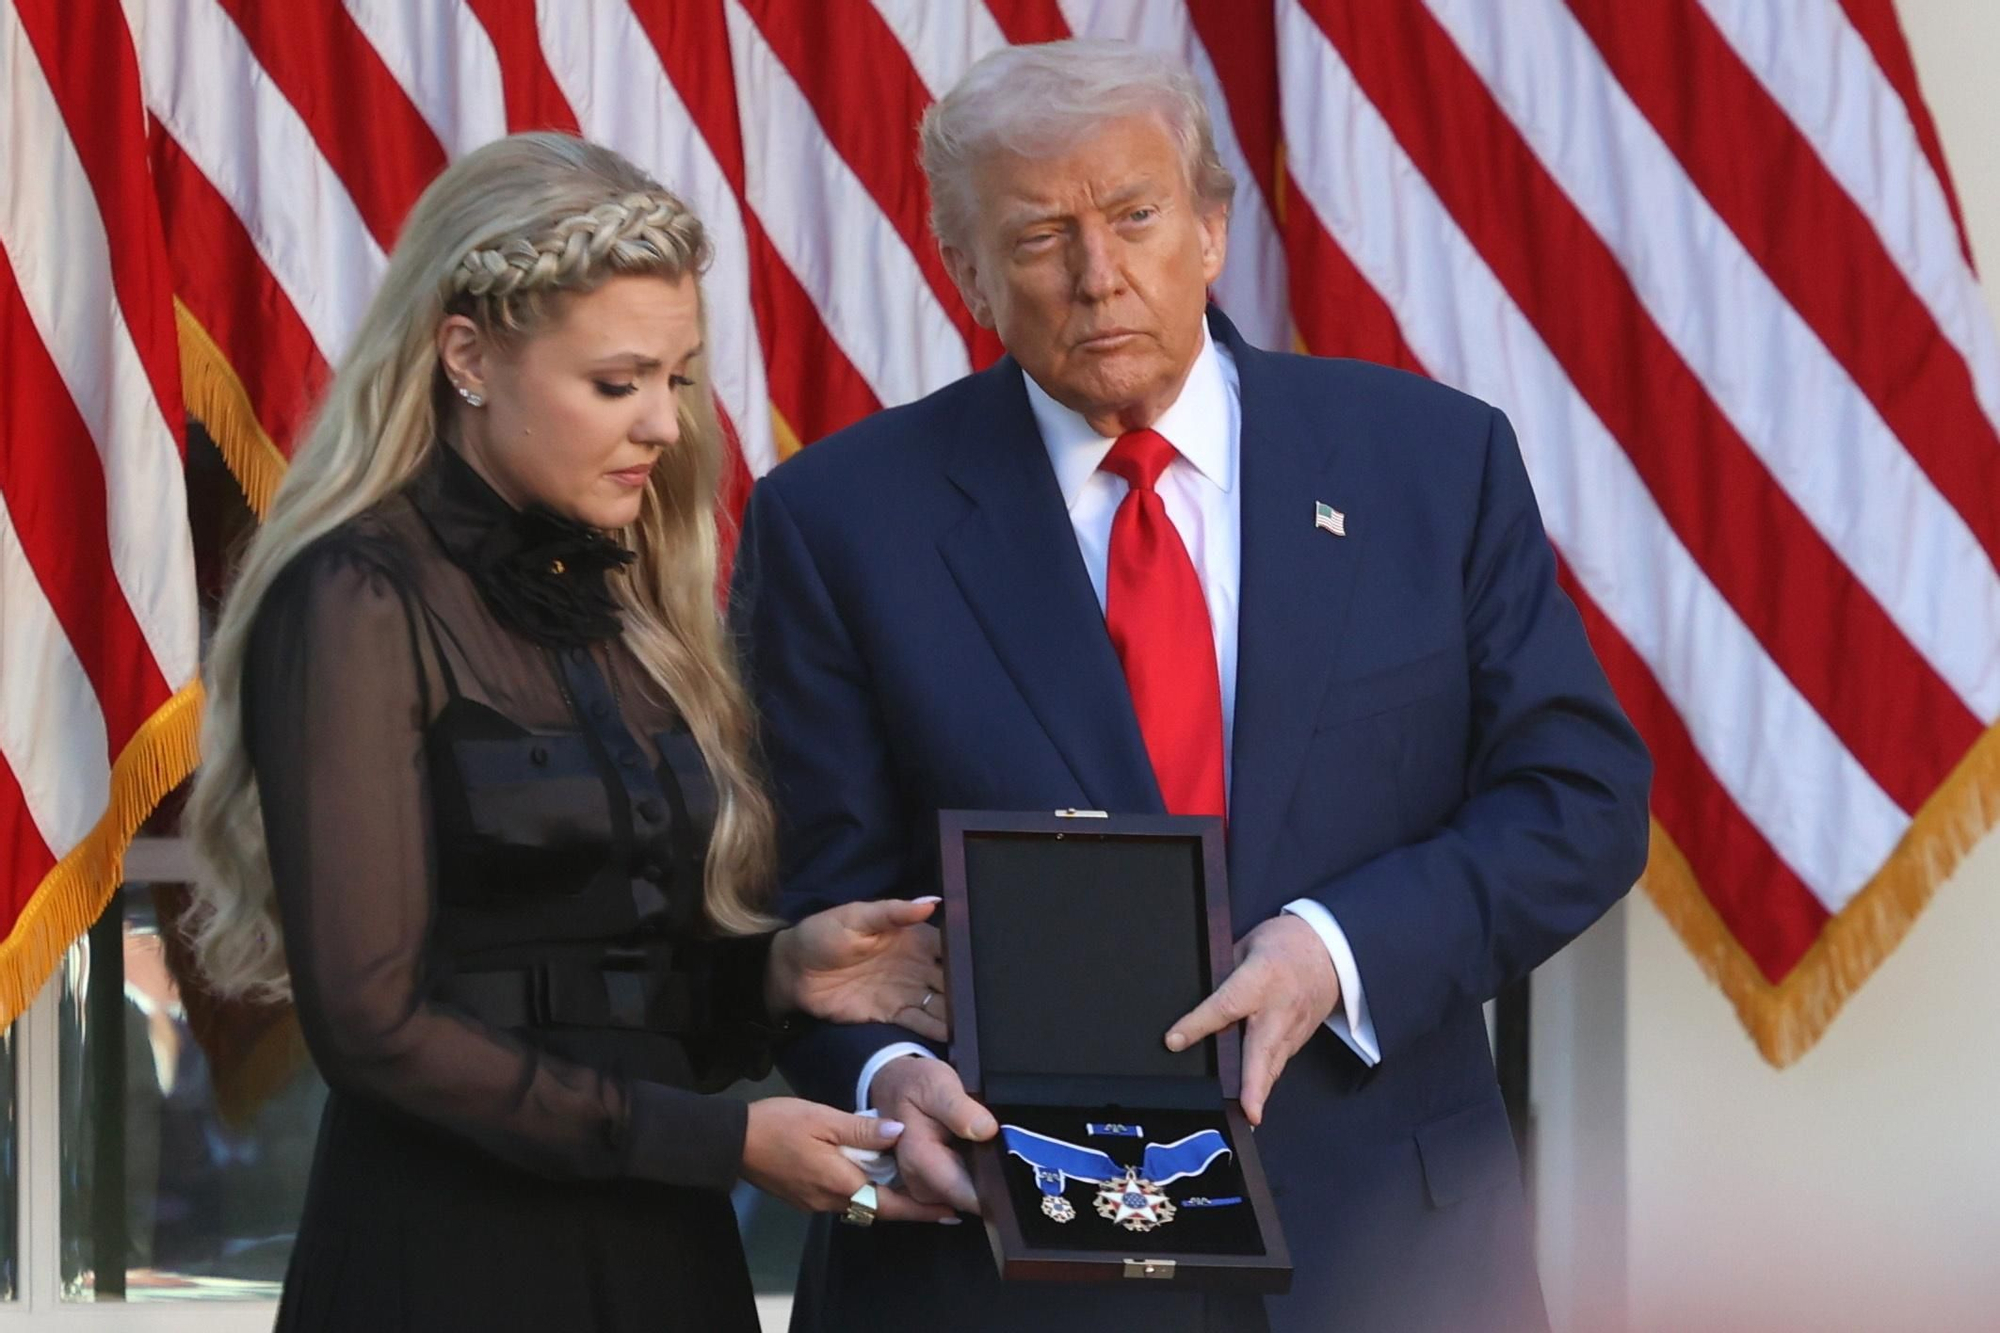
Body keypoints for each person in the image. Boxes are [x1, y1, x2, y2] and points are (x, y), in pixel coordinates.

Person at [733, 40, 1653, 1333]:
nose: (1098, 275)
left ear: (1212, 230)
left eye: (1136, 216)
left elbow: (1581, 802)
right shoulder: (837, 522)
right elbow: (811, 903)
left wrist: (1336, 951)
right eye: (1043, 234)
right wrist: (886, 1077)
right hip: (1005, 1264)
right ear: (967, 272)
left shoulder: (1430, 467)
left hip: (1388, 1250)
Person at [184, 132, 954, 1333]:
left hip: (661, 1251)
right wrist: (722, 1141)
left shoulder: (623, 599)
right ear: (467, 358)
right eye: (617, 382)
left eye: (679, 378)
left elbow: (604, 982)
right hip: (445, 1262)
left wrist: (775, 971)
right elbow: (376, 1030)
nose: (660, 423)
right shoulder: (355, 596)